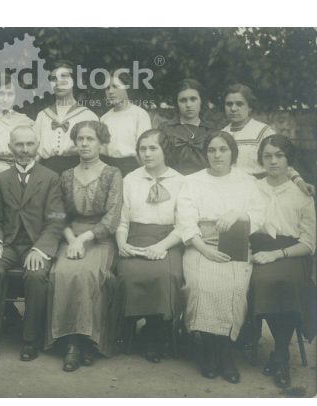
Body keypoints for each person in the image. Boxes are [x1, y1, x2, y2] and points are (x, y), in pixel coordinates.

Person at [177, 131, 264, 383]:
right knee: (200, 285)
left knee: (235, 286)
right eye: (212, 150)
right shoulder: (192, 182)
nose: (217, 155)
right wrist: (204, 249)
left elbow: (259, 215)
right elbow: (185, 219)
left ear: (232, 153)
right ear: (206, 154)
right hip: (200, 245)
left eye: (223, 149)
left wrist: (239, 212)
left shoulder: (247, 181)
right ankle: (207, 349)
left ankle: (225, 351)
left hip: (234, 245)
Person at [0, 125, 65, 367]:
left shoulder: (50, 178)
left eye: (29, 144)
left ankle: (30, 338)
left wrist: (40, 249)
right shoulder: (0, 178)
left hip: (36, 243)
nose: (24, 150)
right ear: (10, 148)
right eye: (19, 145)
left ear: (37, 146)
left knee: (37, 275)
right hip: (8, 242)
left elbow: (56, 220)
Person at [46, 121, 123, 371]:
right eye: (80, 139)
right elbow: (58, 215)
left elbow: (112, 218)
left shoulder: (113, 174)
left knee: (89, 273)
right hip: (70, 235)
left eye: (90, 139)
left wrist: (84, 239)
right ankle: (69, 341)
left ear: (101, 142)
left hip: (99, 237)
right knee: (61, 272)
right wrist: (71, 239)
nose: (85, 144)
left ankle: (88, 341)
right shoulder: (66, 176)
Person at [249, 135, 316, 388]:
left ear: (289, 160)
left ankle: (280, 353)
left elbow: (309, 243)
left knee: (283, 281)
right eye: (268, 156)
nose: (273, 160)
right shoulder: (252, 187)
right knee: (258, 280)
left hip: (291, 253)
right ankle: (278, 350)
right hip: (258, 248)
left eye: (279, 155)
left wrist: (277, 255)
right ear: (261, 159)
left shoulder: (302, 193)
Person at [115, 129, 185, 363]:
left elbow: (184, 224)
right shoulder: (130, 179)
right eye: (142, 149)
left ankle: (156, 331)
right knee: (128, 274)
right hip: (135, 236)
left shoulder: (180, 181)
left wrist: (163, 246)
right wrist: (121, 242)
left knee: (169, 274)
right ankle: (129, 327)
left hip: (169, 238)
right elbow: (123, 220)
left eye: (153, 148)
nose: (147, 153)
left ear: (165, 150)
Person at [33, 60, 98, 174]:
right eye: (54, 79)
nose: (58, 83)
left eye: (64, 77)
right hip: (46, 172)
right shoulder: (43, 116)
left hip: (78, 172)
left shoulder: (87, 115)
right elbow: (35, 152)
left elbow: (94, 153)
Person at [100, 69, 151, 176]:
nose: (110, 92)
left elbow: (145, 148)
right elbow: (102, 151)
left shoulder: (139, 115)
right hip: (110, 168)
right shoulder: (105, 118)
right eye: (107, 88)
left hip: (134, 167)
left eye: (115, 86)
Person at [161, 78, 216, 175]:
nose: (188, 105)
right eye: (183, 100)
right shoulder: (166, 129)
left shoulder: (211, 129)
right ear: (176, 103)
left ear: (201, 101)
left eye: (193, 99)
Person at [221, 84, 275, 177]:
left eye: (239, 104)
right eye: (229, 104)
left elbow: (281, 161)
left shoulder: (263, 131)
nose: (233, 109)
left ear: (250, 107)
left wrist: (297, 180)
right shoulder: (221, 134)